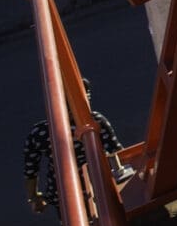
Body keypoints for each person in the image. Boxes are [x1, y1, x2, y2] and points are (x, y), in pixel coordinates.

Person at [23, 79, 132, 215]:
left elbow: (30, 171)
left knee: (73, 222)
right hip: (99, 185)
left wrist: (33, 197)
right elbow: (117, 153)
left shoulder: (40, 133)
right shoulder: (96, 121)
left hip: (63, 193)